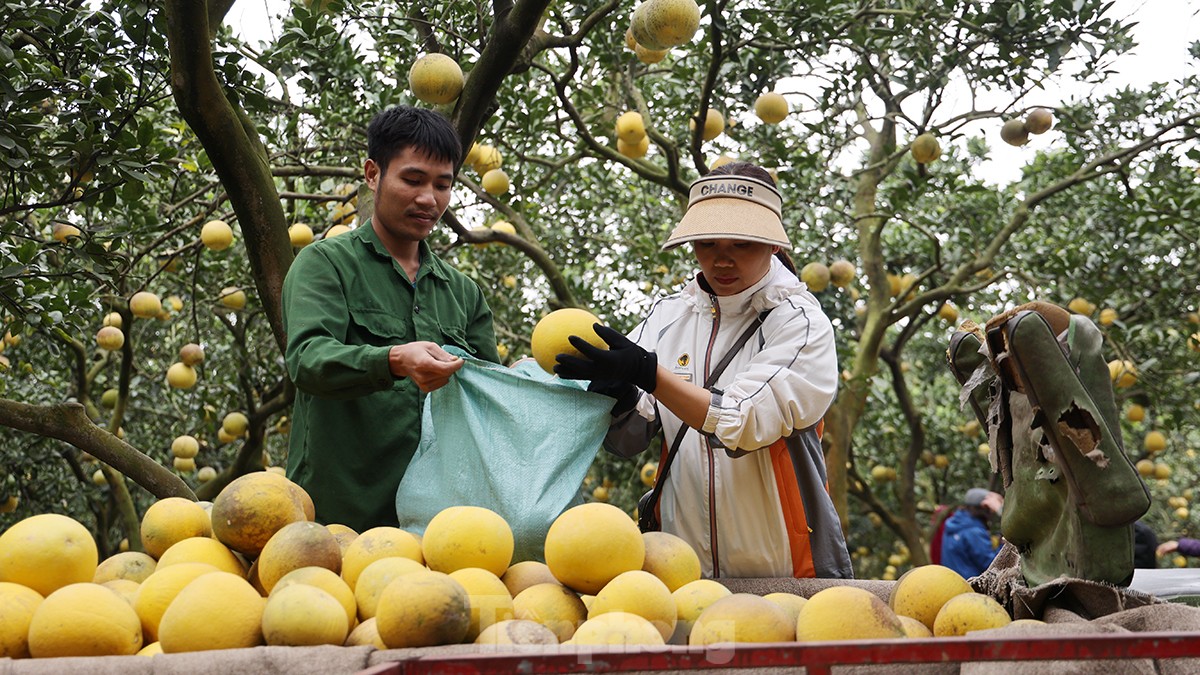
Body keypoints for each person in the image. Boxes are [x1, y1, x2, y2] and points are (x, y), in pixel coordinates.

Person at [555, 162, 853, 579]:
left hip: (785, 569)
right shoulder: (669, 316)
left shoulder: (798, 322)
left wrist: (650, 373)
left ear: (773, 246)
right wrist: (620, 396)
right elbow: (632, 435)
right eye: (708, 242)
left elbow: (742, 420)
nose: (722, 259)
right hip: (682, 570)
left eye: (743, 244)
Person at [282, 106, 500, 531]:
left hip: (439, 528)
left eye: (443, 185)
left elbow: (486, 397)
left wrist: (524, 380)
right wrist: (394, 360)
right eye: (413, 180)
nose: (429, 199)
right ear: (372, 174)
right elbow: (307, 360)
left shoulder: (463, 294)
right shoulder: (325, 265)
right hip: (336, 523)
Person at [941, 487, 1004, 579]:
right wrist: (1003, 544)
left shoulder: (954, 524)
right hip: (971, 587)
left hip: (954, 583)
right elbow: (992, 565)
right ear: (983, 508)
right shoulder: (973, 531)